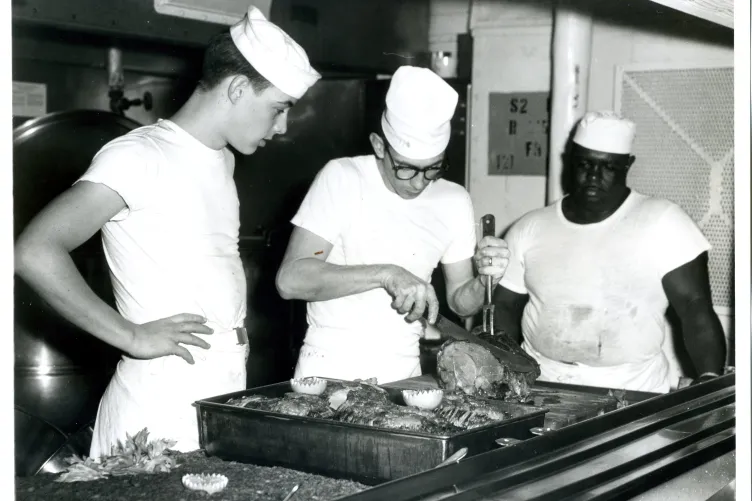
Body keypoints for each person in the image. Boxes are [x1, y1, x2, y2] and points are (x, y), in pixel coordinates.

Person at [14, 6, 321, 457]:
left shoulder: (222, 159)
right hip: (157, 406)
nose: (283, 127)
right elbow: (35, 250)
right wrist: (132, 336)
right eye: (278, 109)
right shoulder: (140, 156)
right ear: (237, 88)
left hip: (216, 397)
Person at [275, 65, 510, 384]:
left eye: (432, 169)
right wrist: (386, 273)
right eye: (406, 169)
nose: (418, 184)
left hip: (405, 376)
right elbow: (290, 280)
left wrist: (486, 279)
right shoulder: (343, 178)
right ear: (379, 145)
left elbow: (460, 303)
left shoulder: (453, 201)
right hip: (328, 370)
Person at [492, 111, 727, 393]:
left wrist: (710, 379)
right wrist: (512, 366)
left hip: (633, 388)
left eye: (608, 168)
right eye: (584, 164)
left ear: (628, 165)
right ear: (569, 162)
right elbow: (504, 305)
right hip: (542, 384)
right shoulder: (530, 227)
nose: (593, 176)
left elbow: (694, 306)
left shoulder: (662, 220)